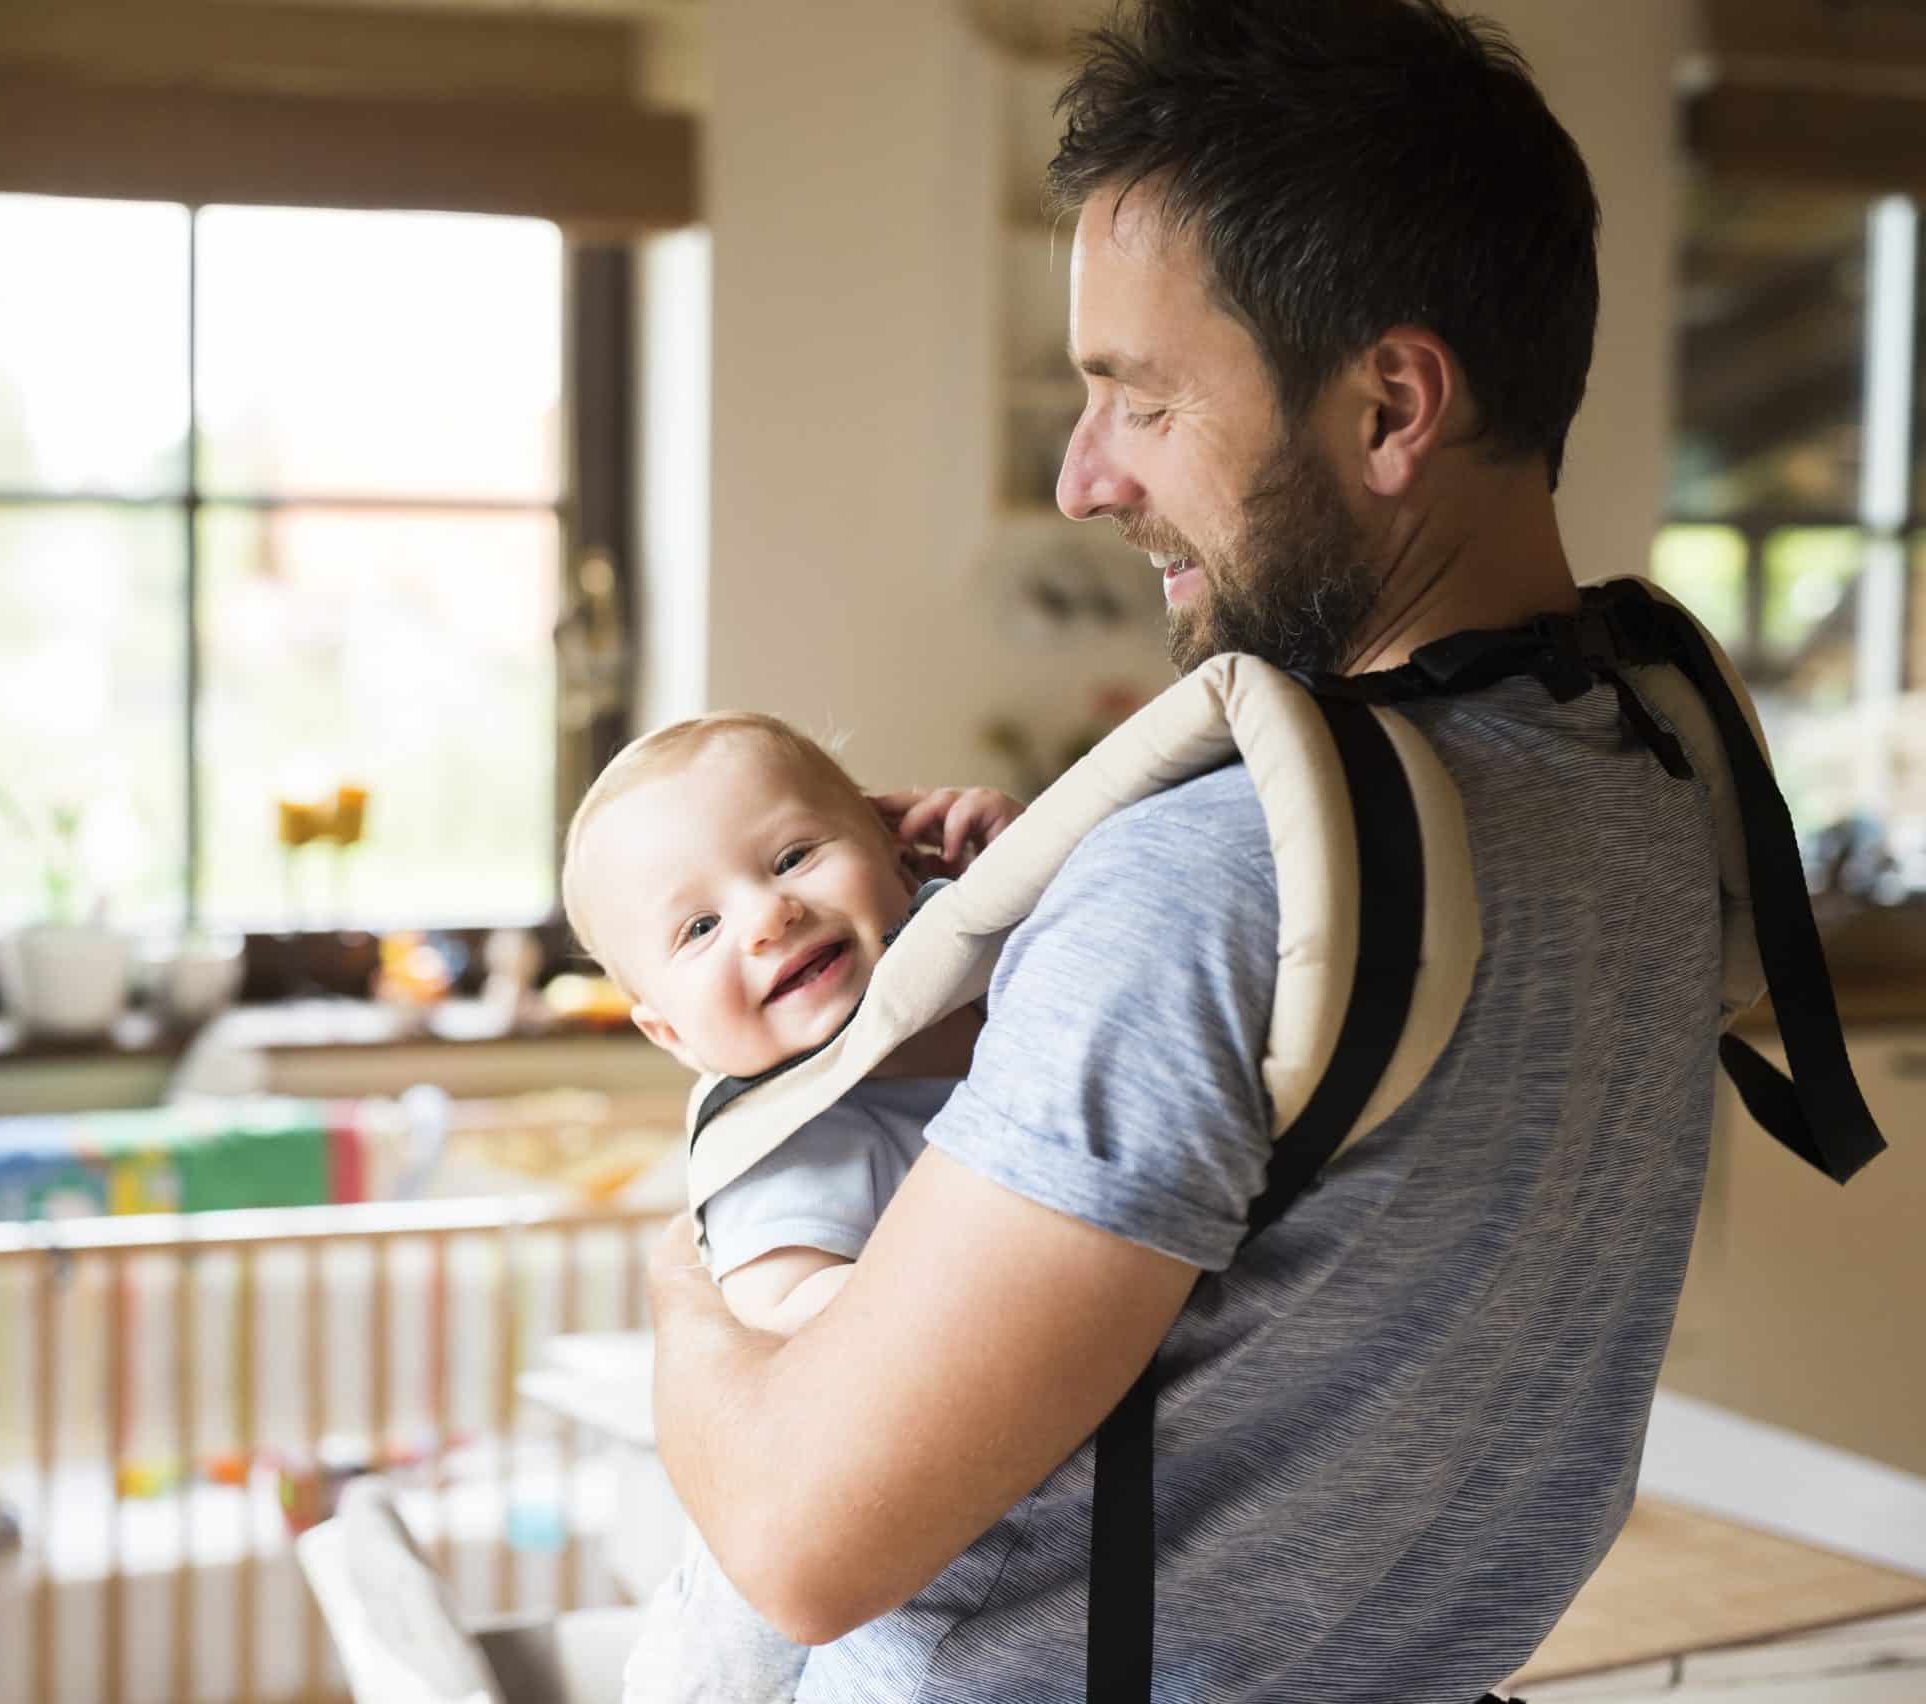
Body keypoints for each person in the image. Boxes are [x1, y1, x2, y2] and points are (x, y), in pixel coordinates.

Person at [644, 3, 1727, 1699]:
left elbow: (796, 1533)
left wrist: (695, 1234)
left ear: (1390, 405)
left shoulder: (1215, 880)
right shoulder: (1662, 788)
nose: (1083, 478)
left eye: (1135, 401)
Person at [558, 711, 1019, 1703]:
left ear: (894, 848)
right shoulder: (786, 1135)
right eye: (697, 929)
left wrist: (1018, 848)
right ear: (669, 1031)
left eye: (794, 856)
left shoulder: (982, 941)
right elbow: (783, 1308)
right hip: (805, 1505)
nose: (767, 917)